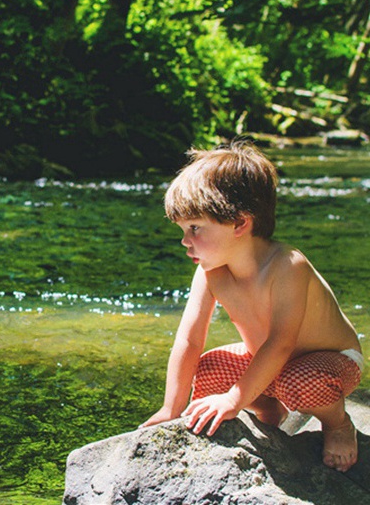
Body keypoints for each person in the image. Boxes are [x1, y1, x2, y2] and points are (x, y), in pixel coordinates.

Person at [141, 139, 364, 473]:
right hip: (269, 363)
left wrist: (233, 400)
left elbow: (282, 342)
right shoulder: (210, 272)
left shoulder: (288, 265)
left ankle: (338, 423)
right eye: (183, 229)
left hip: (329, 363)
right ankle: (270, 410)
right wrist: (170, 407)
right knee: (209, 369)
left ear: (239, 224)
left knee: (299, 381)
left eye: (195, 228)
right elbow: (189, 340)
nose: (185, 241)